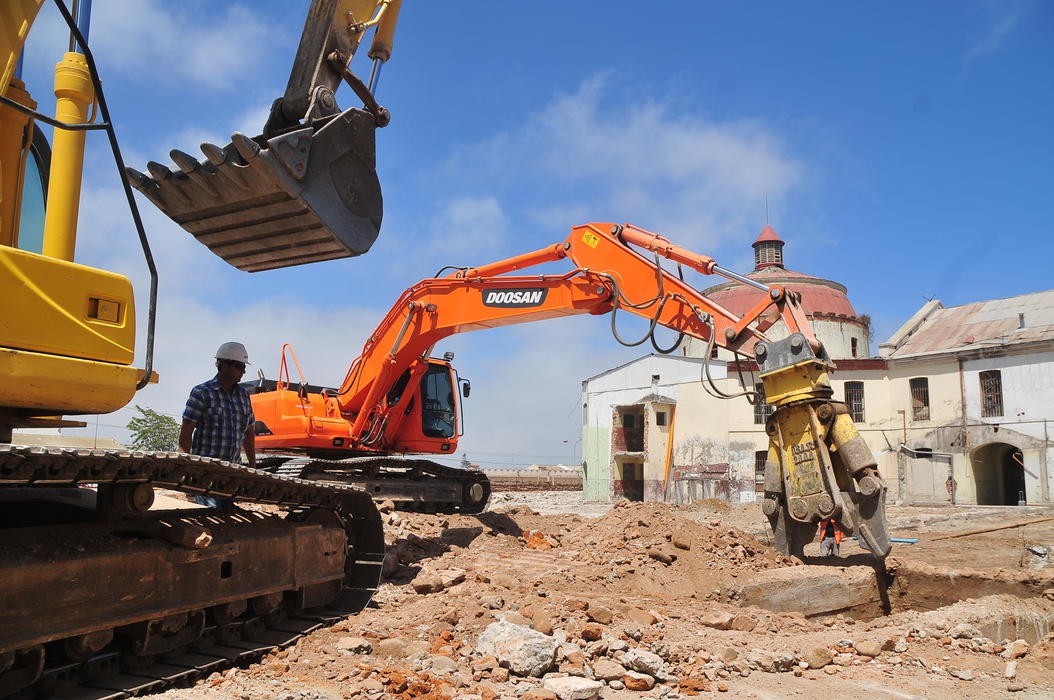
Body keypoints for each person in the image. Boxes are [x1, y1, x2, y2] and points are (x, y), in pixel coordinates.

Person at [179, 342, 257, 510]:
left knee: (227, 516)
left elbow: (249, 431)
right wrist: (186, 464)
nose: (243, 371)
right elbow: (186, 431)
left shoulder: (244, 396)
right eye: (239, 366)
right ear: (222, 365)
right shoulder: (202, 393)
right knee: (211, 514)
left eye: (243, 367)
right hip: (207, 473)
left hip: (232, 474)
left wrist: (252, 466)